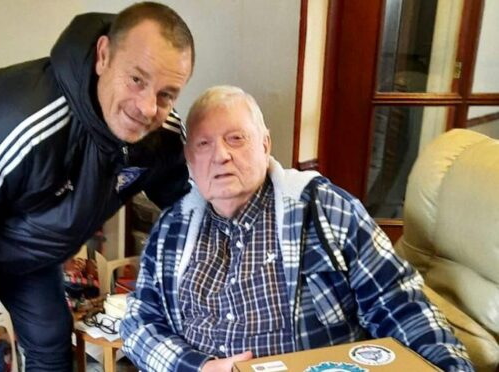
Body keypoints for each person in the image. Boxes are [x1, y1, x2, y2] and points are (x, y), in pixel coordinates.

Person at [0, 2, 194, 371]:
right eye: (136, 79)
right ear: (103, 56)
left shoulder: (162, 132)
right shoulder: (22, 121)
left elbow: (189, 197)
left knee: (50, 335)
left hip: (19, 225)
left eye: (167, 94)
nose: (147, 107)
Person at [120, 86, 474, 372]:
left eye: (236, 139)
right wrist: (200, 367)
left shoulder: (326, 210)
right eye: (204, 144)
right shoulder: (173, 229)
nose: (221, 156)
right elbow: (139, 323)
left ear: (265, 144)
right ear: (189, 160)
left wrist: (447, 366)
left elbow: (399, 304)